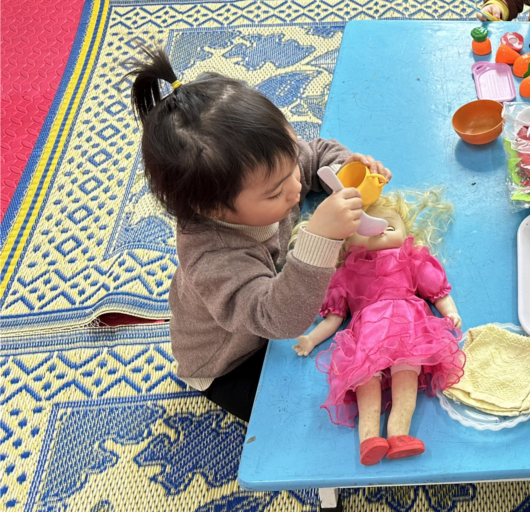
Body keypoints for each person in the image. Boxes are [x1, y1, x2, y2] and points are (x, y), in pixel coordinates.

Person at [128, 46, 389, 423]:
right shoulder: (213, 258)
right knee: (311, 414)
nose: (295, 187)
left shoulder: (269, 171)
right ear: (213, 209)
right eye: (275, 192)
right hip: (233, 361)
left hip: (275, 302)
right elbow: (278, 319)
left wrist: (344, 170)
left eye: (291, 167)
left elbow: (314, 155)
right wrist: (319, 239)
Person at [292, 190, 465, 465]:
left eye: (391, 227)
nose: (381, 231)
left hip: (408, 329)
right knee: (366, 379)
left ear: (407, 234)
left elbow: (437, 293)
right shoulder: (347, 273)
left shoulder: (410, 259)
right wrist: (311, 339)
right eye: (367, 228)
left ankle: (399, 434)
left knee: (406, 377)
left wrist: (451, 312)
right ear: (347, 242)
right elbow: (334, 319)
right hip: (368, 335)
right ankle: (369, 438)